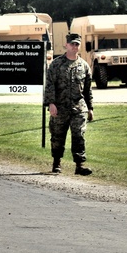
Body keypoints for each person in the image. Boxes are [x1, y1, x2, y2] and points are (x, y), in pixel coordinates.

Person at [43, 32, 93, 175]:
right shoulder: (57, 64)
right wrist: (51, 103)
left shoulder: (84, 66)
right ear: (66, 45)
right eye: (72, 44)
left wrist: (90, 108)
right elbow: (50, 85)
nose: (74, 47)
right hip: (60, 107)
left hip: (78, 108)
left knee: (79, 136)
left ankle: (79, 165)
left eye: (77, 44)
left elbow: (88, 89)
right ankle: (56, 163)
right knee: (57, 136)